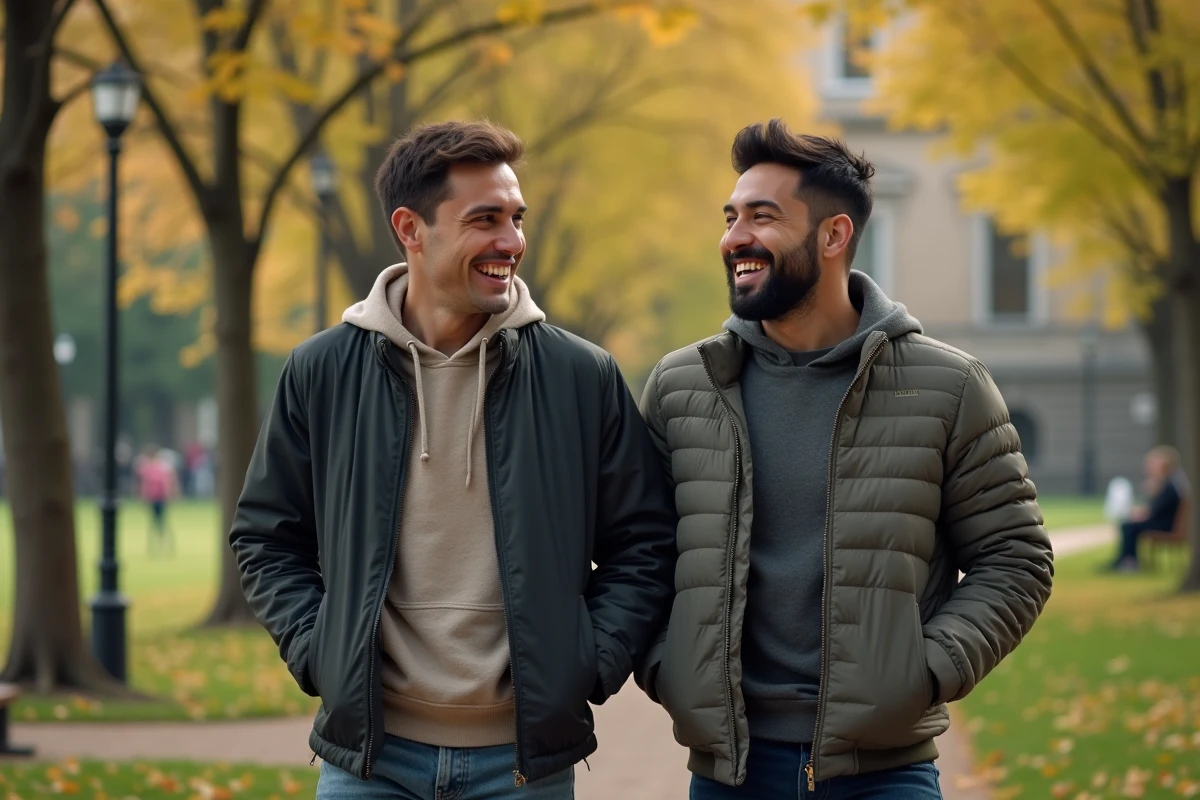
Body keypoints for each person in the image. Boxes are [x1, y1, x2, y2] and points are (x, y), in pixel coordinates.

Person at [230, 121, 676, 800]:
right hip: (370, 762)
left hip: (524, 765)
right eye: (485, 219)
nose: (512, 241)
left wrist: (587, 661)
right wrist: (320, 650)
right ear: (411, 228)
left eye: (516, 219)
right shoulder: (322, 371)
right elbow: (265, 537)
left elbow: (646, 541)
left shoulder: (580, 376)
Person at [637, 119, 1055, 798]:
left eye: (762, 216)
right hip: (728, 774)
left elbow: (1016, 558)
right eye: (731, 216)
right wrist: (667, 666)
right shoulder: (684, 387)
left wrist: (922, 673)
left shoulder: (947, 387)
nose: (734, 238)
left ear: (833, 236)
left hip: (884, 775)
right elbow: (642, 555)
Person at [1109, 445, 1188, 571]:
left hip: (1165, 525)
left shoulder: (1170, 485)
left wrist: (1143, 512)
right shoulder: (1171, 482)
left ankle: (1129, 561)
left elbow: (1157, 510)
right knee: (1129, 525)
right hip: (1164, 522)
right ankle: (1126, 559)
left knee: (1128, 526)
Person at [136, 445, 177, 555]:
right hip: (154, 499)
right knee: (156, 523)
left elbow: (165, 484)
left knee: (161, 523)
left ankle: (163, 546)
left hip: (159, 499)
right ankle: (156, 547)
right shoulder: (150, 468)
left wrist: (168, 496)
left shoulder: (158, 468)